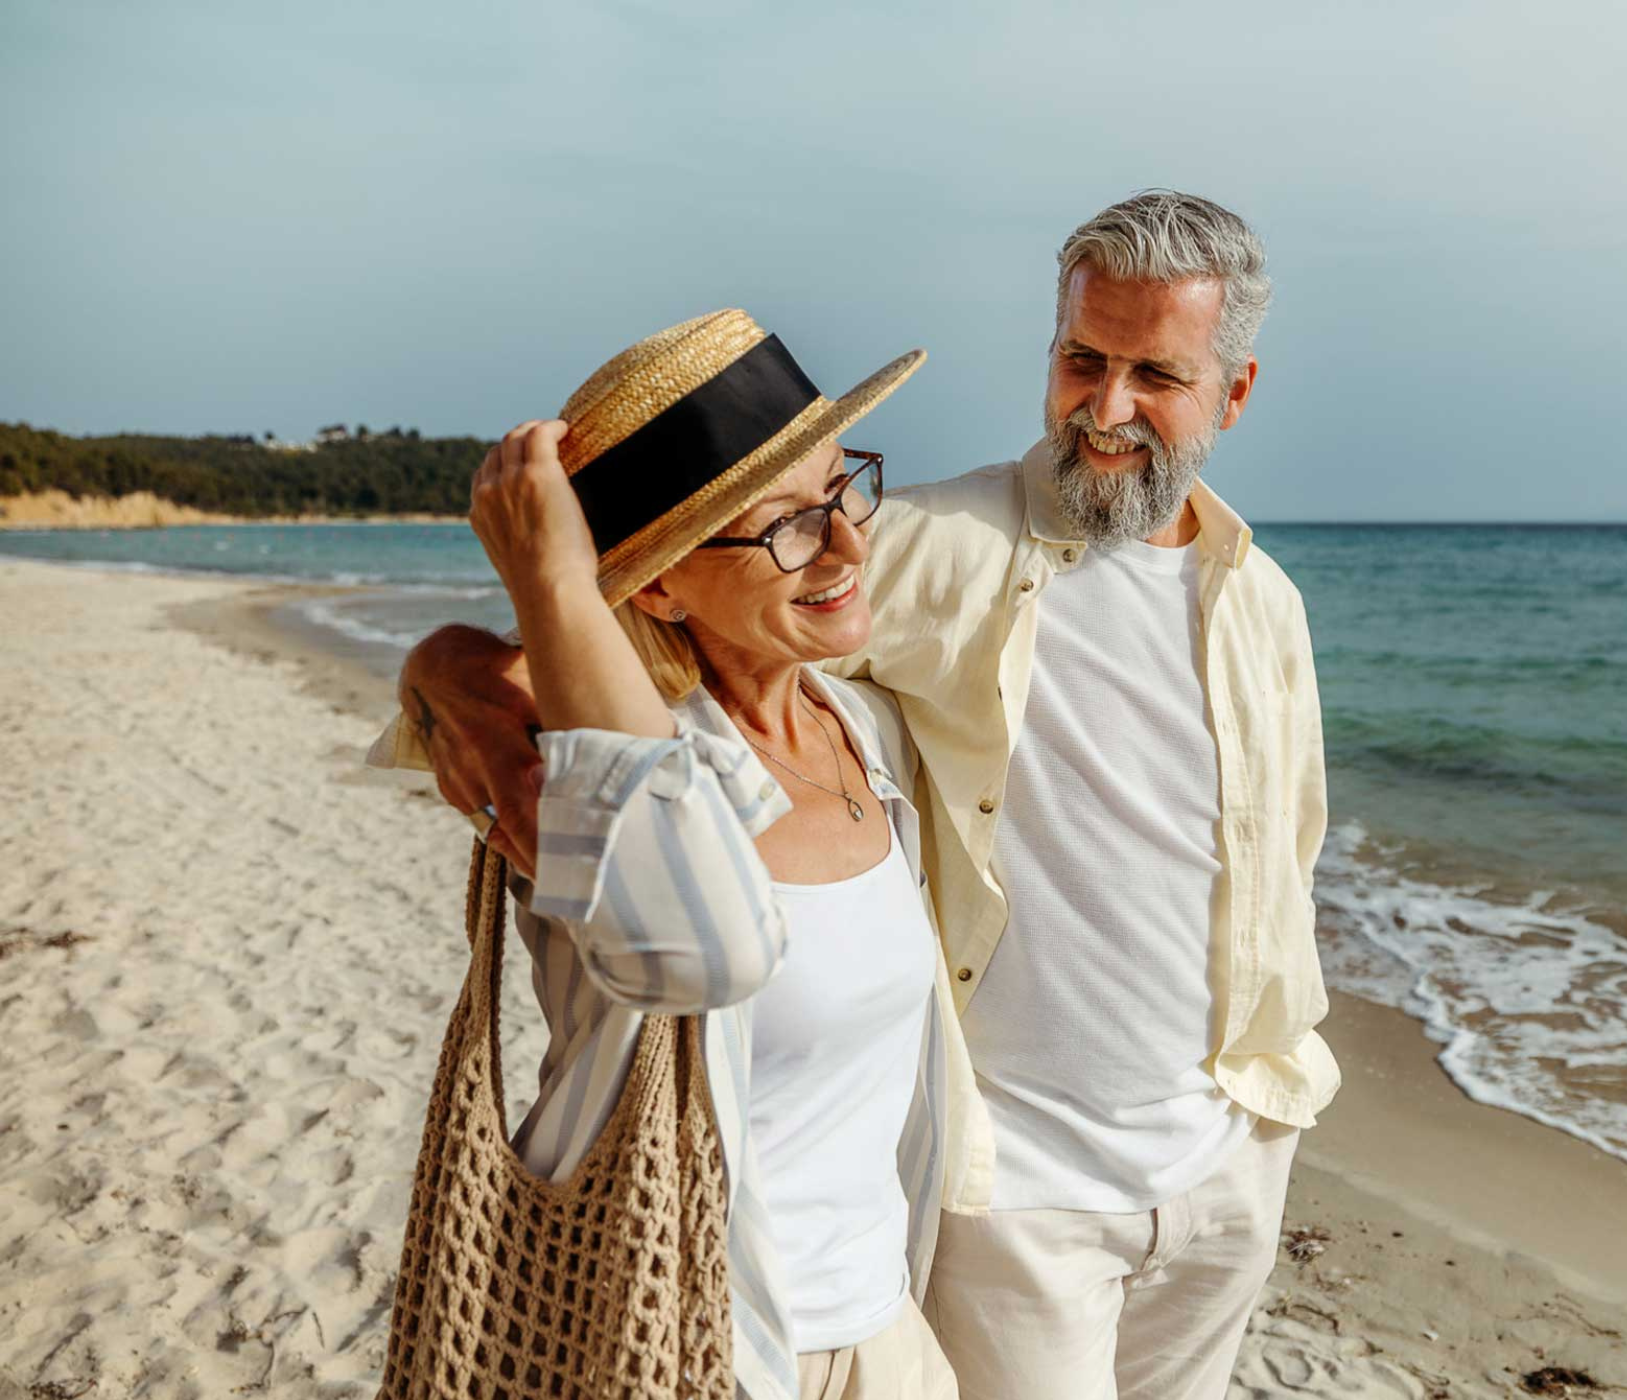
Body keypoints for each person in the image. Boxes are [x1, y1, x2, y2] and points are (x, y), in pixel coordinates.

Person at [395, 192, 1335, 1400]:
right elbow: (626, 647)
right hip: (1022, 1189)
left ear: (1233, 391)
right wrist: (444, 662)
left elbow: (1277, 864)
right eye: (1081, 359)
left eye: (1155, 373)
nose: (1105, 409)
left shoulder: (1265, 600)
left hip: (1227, 1162)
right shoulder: (932, 544)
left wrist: (1265, 1116)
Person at [400, 310, 969, 1400]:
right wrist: (549, 592)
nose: (848, 541)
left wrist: (436, 657)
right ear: (656, 585)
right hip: (680, 1330)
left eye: (844, 486)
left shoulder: (868, 734)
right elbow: (701, 951)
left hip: (885, 1325)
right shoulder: (574, 777)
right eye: (784, 527)